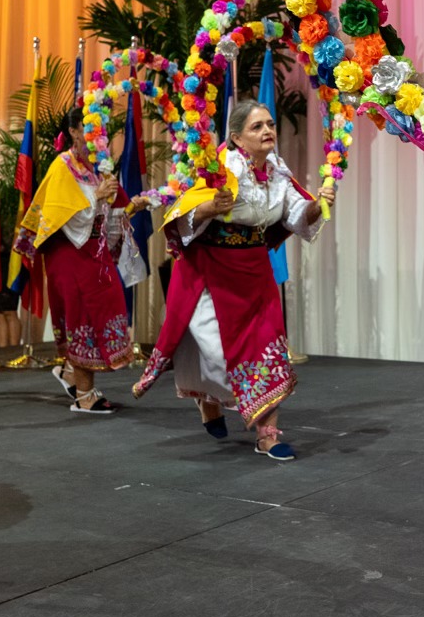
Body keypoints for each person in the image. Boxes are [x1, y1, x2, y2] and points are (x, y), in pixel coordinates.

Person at [133, 101, 332, 461]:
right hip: (211, 271)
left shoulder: (277, 171)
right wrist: (211, 207)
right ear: (237, 137)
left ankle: (267, 434)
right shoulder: (220, 166)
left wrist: (319, 203)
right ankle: (208, 397)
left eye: (270, 124)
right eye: (257, 127)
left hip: (255, 272)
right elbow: (183, 211)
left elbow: (297, 214)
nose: (268, 130)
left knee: (267, 350)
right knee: (217, 352)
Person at [13, 107, 143, 414]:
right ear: (74, 131)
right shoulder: (63, 165)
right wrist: (97, 196)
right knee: (83, 315)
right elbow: (61, 216)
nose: (99, 135)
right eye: (92, 127)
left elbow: (109, 214)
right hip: (70, 254)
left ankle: (71, 372)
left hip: (93, 253)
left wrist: (130, 206)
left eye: (102, 128)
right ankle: (84, 394)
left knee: (105, 308)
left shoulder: (96, 168)